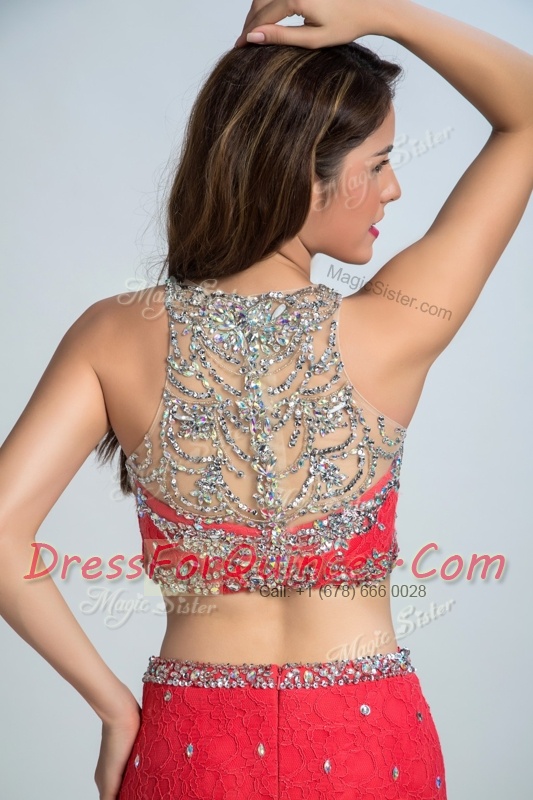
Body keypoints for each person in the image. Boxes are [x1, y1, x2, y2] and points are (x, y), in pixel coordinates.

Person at [0, 0, 531, 798]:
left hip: (190, 748)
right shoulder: (394, 327)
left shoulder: (112, 335)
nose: (392, 189)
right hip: (367, 745)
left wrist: (113, 711)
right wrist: (381, 14)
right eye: (377, 164)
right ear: (304, 171)